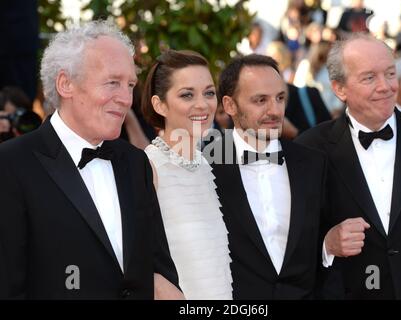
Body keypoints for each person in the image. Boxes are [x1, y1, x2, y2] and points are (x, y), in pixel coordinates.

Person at [0, 20, 179, 299]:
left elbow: (158, 266)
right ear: (65, 83)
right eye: (112, 83)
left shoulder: (136, 163)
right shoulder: (10, 165)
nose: (126, 99)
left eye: (130, 85)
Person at [296, 33, 401, 299]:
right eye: (369, 78)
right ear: (339, 88)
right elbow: (294, 239)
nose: (386, 86)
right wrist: (327, 244)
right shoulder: (310, 148)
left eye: (390, 74)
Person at [208, 54, 327, 299]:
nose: (275, 110)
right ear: (230, 105)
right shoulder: (205, 167)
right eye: (260, 100)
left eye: (280, 98)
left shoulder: (314, 163)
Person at [141, 49, 233, 300]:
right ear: (159, 104)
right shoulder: (149, 167)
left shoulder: (205, 166)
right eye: (186, 95)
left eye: (209, 93)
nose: (202, 104)